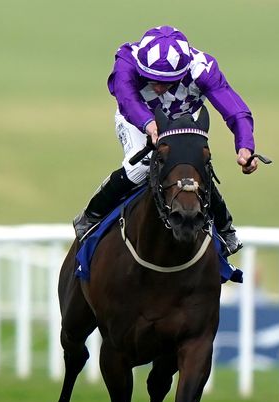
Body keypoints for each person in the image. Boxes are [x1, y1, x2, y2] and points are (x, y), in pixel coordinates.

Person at [73, 26, 259, 256]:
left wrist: (245, 146)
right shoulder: (127, 59)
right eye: (151, 80)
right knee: (142, 165)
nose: (159, 87)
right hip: (136, 118)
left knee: (196, 166)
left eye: (168, 82)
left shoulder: (204, 69)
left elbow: (235, 110)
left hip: (182, 124)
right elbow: (127, 97)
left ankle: (225, 228)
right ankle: (91, 215)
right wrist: (148, 125)